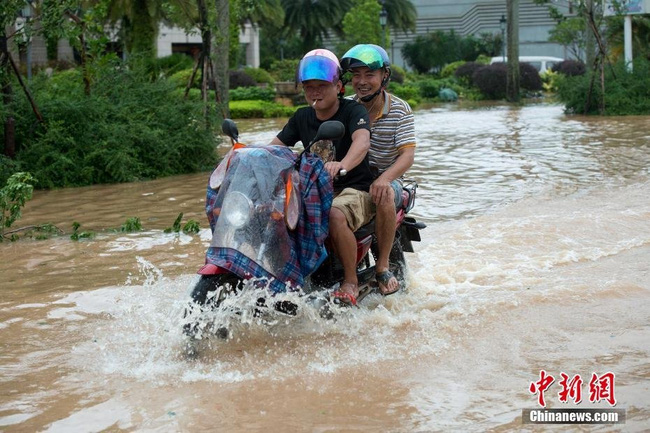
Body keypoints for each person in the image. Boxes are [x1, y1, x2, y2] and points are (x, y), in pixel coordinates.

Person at [270, 49, 375, 306]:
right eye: (309, 87)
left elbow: (361, 143)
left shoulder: (353, 112)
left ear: (338, 86)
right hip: (312, 191)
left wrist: (342, 165)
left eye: (322, 86)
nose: (315, 93)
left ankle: (350, 280)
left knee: (334, 214)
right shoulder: (302, 117)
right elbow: (275, 148)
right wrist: (247, 158)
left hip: (354, 189)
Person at [340, 44, 416, 295]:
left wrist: (384, 178)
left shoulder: (399, 109)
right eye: (356, 75)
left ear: (384, 76)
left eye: (369, 75)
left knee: (383, 193)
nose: (361, 81)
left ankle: (383, 267)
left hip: (387, 178)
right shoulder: (346, 107)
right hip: (351, 179)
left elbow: (407, 155)